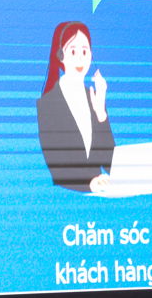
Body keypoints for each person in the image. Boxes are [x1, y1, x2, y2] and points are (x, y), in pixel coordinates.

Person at [37, 21, 114, 193]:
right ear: (60, 55)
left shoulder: (94, 98)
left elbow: (110, 165)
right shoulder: (47, 104)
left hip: (100, 197)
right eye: (73, 51)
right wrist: (89, 184)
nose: (80, 58)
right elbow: (56, 169)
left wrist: (101, 114)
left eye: (85, 51)